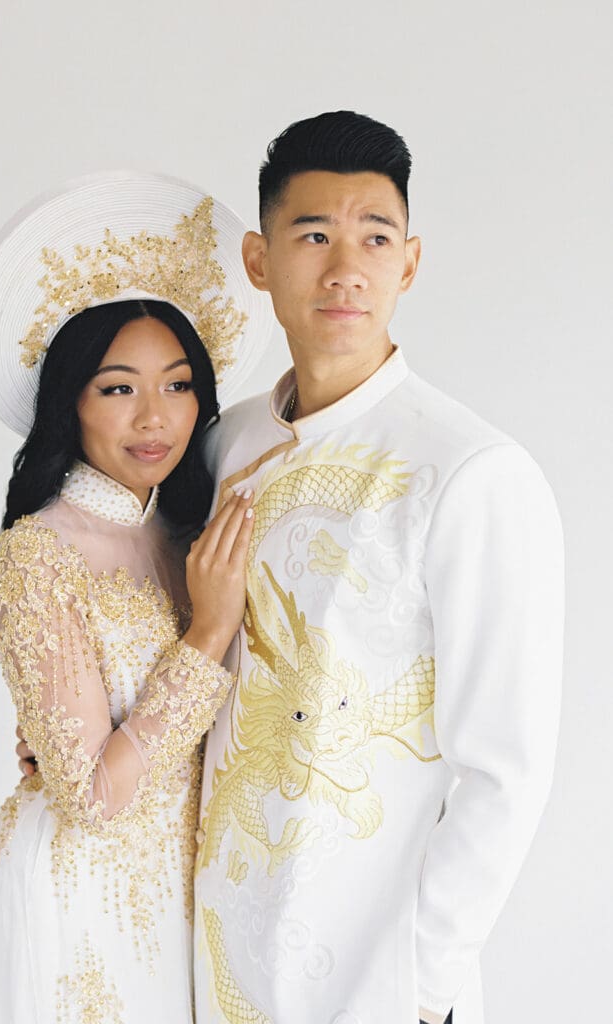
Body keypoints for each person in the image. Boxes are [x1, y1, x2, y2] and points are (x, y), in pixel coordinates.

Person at [189, 112, 564, 1024]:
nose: (343, 267)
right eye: (312, 235)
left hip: (367, 974)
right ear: (257, 258)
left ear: (410, 262)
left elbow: (503, 773)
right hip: (212, 946)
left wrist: (420, 987)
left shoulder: (470, 472)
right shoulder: (223, 441)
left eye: (374, 236)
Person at [0, 173, 272, 1023]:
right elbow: (91, 798)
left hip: (192, 888)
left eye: (176, 384)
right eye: (117, 387)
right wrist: (205, 636)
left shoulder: (190, 536)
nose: (154, 418)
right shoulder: (38, 555)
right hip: (83, 895)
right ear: (72, 402)